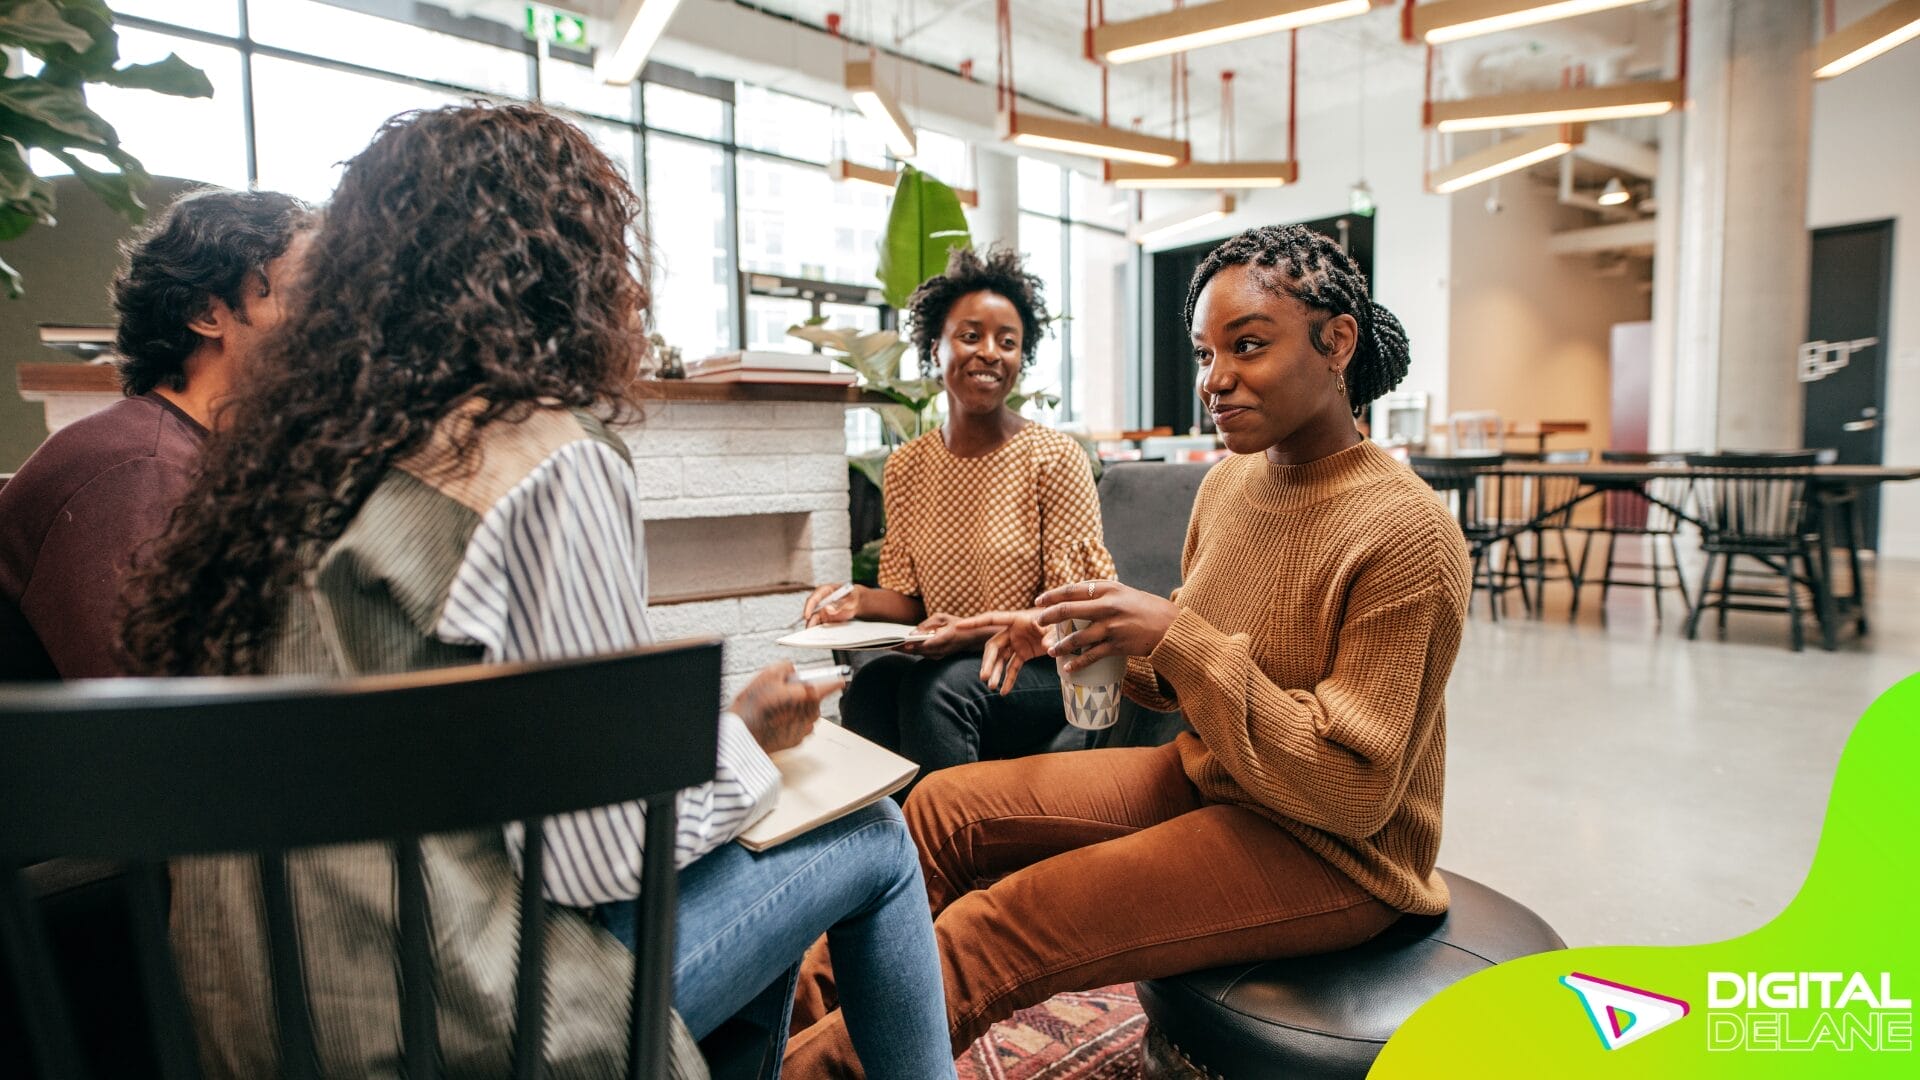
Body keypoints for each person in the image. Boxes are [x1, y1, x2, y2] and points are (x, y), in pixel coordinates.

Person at [122, 104, 954, 1080]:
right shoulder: (540, 458)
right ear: (564, 270)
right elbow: (597, 860)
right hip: (463, 1032)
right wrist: (743, 745)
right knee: (870, 834)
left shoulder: (283, 468)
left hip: (259, 1030)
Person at [785, 224, 1472, 1078]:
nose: (1215, 381)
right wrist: (1084, 635)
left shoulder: (1408, 532)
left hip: (1335, 851)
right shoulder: (1229, 484)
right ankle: (760, 1035)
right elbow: (1170, 680)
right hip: (1212, 774)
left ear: (1336, 343)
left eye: (1248, 347)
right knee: (935, 814)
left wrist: (1175, 637)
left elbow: (1353, 790)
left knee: (992, 930)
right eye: (1205, 352)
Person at [801, 247, 1113, 789]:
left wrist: (967, 632)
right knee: (875, 683)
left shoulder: (1054, 457)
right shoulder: (907, 466)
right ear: (934, 347)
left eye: (1007, 342)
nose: (989, 353)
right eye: (971, 336)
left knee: (937, 689)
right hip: (954, 658)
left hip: (1041, 664)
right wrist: (856, 599)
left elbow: (1078, 613)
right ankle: (885, 849)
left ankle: (950, 864)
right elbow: (909, 601)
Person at [0, 188, 312, 680]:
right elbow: (156, 717)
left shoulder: (210, 456)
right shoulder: (138, 469)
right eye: (305, 293)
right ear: (208, 315)